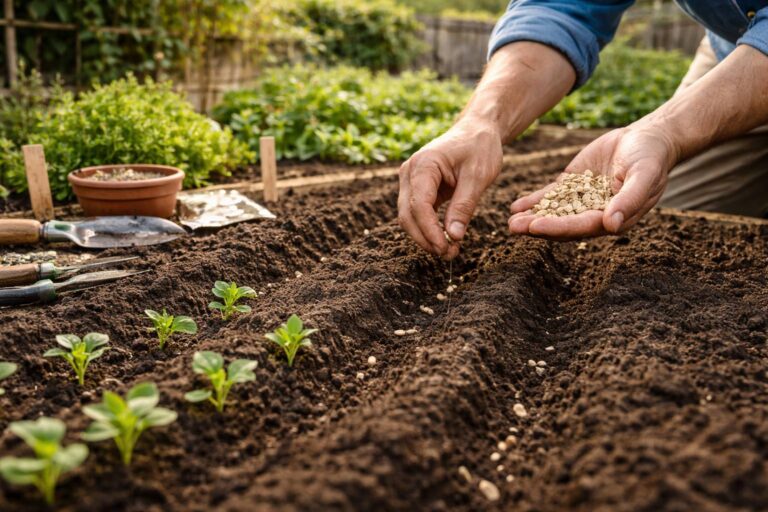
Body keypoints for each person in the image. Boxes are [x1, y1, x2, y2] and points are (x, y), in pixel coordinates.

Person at [397, 1, 768, 260]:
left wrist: (667, 130)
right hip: (736, 46)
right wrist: (482, 121)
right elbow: (559, 8)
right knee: (669, 212)